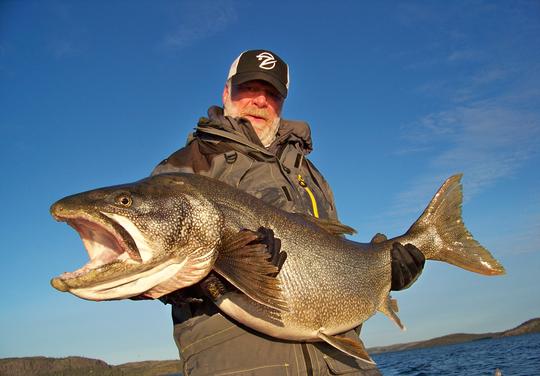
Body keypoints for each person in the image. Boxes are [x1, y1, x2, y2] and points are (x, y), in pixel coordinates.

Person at [152, 49, 425, 376]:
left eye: (272, 93)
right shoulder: (186, 165)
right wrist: (226, 268)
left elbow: (338, 260)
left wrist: (385, 274)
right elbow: (151, 259)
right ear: (226, 92)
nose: (259, 100)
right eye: (248, 88)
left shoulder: (311, 175)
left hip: (345, 362)